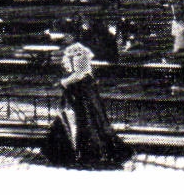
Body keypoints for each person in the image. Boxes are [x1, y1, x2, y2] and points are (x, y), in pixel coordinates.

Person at [39, 35, 133, 169]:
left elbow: (81, 73)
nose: (63, 38)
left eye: (67, 35)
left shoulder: (78, 50)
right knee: (73, 120)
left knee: (89, 121)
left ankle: (92, 156)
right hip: (76, 89)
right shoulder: (72, 49)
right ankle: (70, 154)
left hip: (83, 90)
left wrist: (63, 82)